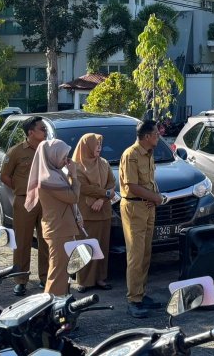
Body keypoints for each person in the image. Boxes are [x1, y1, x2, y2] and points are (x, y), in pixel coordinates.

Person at [119, 120, 165, 318]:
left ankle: (140, 293)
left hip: (147, 207)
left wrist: (154, 197)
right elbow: (131, 186)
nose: (158, 137)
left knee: (146, 253)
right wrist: (155, 197)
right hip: (134, 208)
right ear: (147, 136)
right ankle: (133, 300)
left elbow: (149, 182)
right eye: (156, 134)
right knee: (136, 255)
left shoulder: (149, 153)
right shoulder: (131, 155)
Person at [25, 139, 81, 296]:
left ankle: (60, 303)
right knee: (57, 272)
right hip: (58, 230)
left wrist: (77, 215)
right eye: (63, 156)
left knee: (62, 271)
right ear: (52, 156)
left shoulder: (56, 174)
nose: (66, 160)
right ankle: (50, 305)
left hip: (62, 228)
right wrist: (74, 176)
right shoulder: (48, 179)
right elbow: (73, 197)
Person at [0, 116, 49, 296]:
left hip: (46, 200)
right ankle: (20, 280)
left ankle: (46, 278)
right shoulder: (16, 151)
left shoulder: (48, 149)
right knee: (22, 242)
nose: (45, 131)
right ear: (31, 132)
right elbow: (4, 176)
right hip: (24, 201)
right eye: (42, 129)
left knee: (46, 240)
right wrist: (21, 189)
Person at [72, 133, 116, 292]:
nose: (99, 147)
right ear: (87, 146)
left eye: (100, 144)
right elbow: (84, 187)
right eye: (96, 144)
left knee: (102, 246)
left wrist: (102, 199)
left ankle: (100, 278)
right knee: (84, 247)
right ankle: (83, 281)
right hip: (86, 213)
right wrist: (105, 194)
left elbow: (112, 183)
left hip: (103, 212)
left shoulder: (104, 163)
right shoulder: (76, 166)